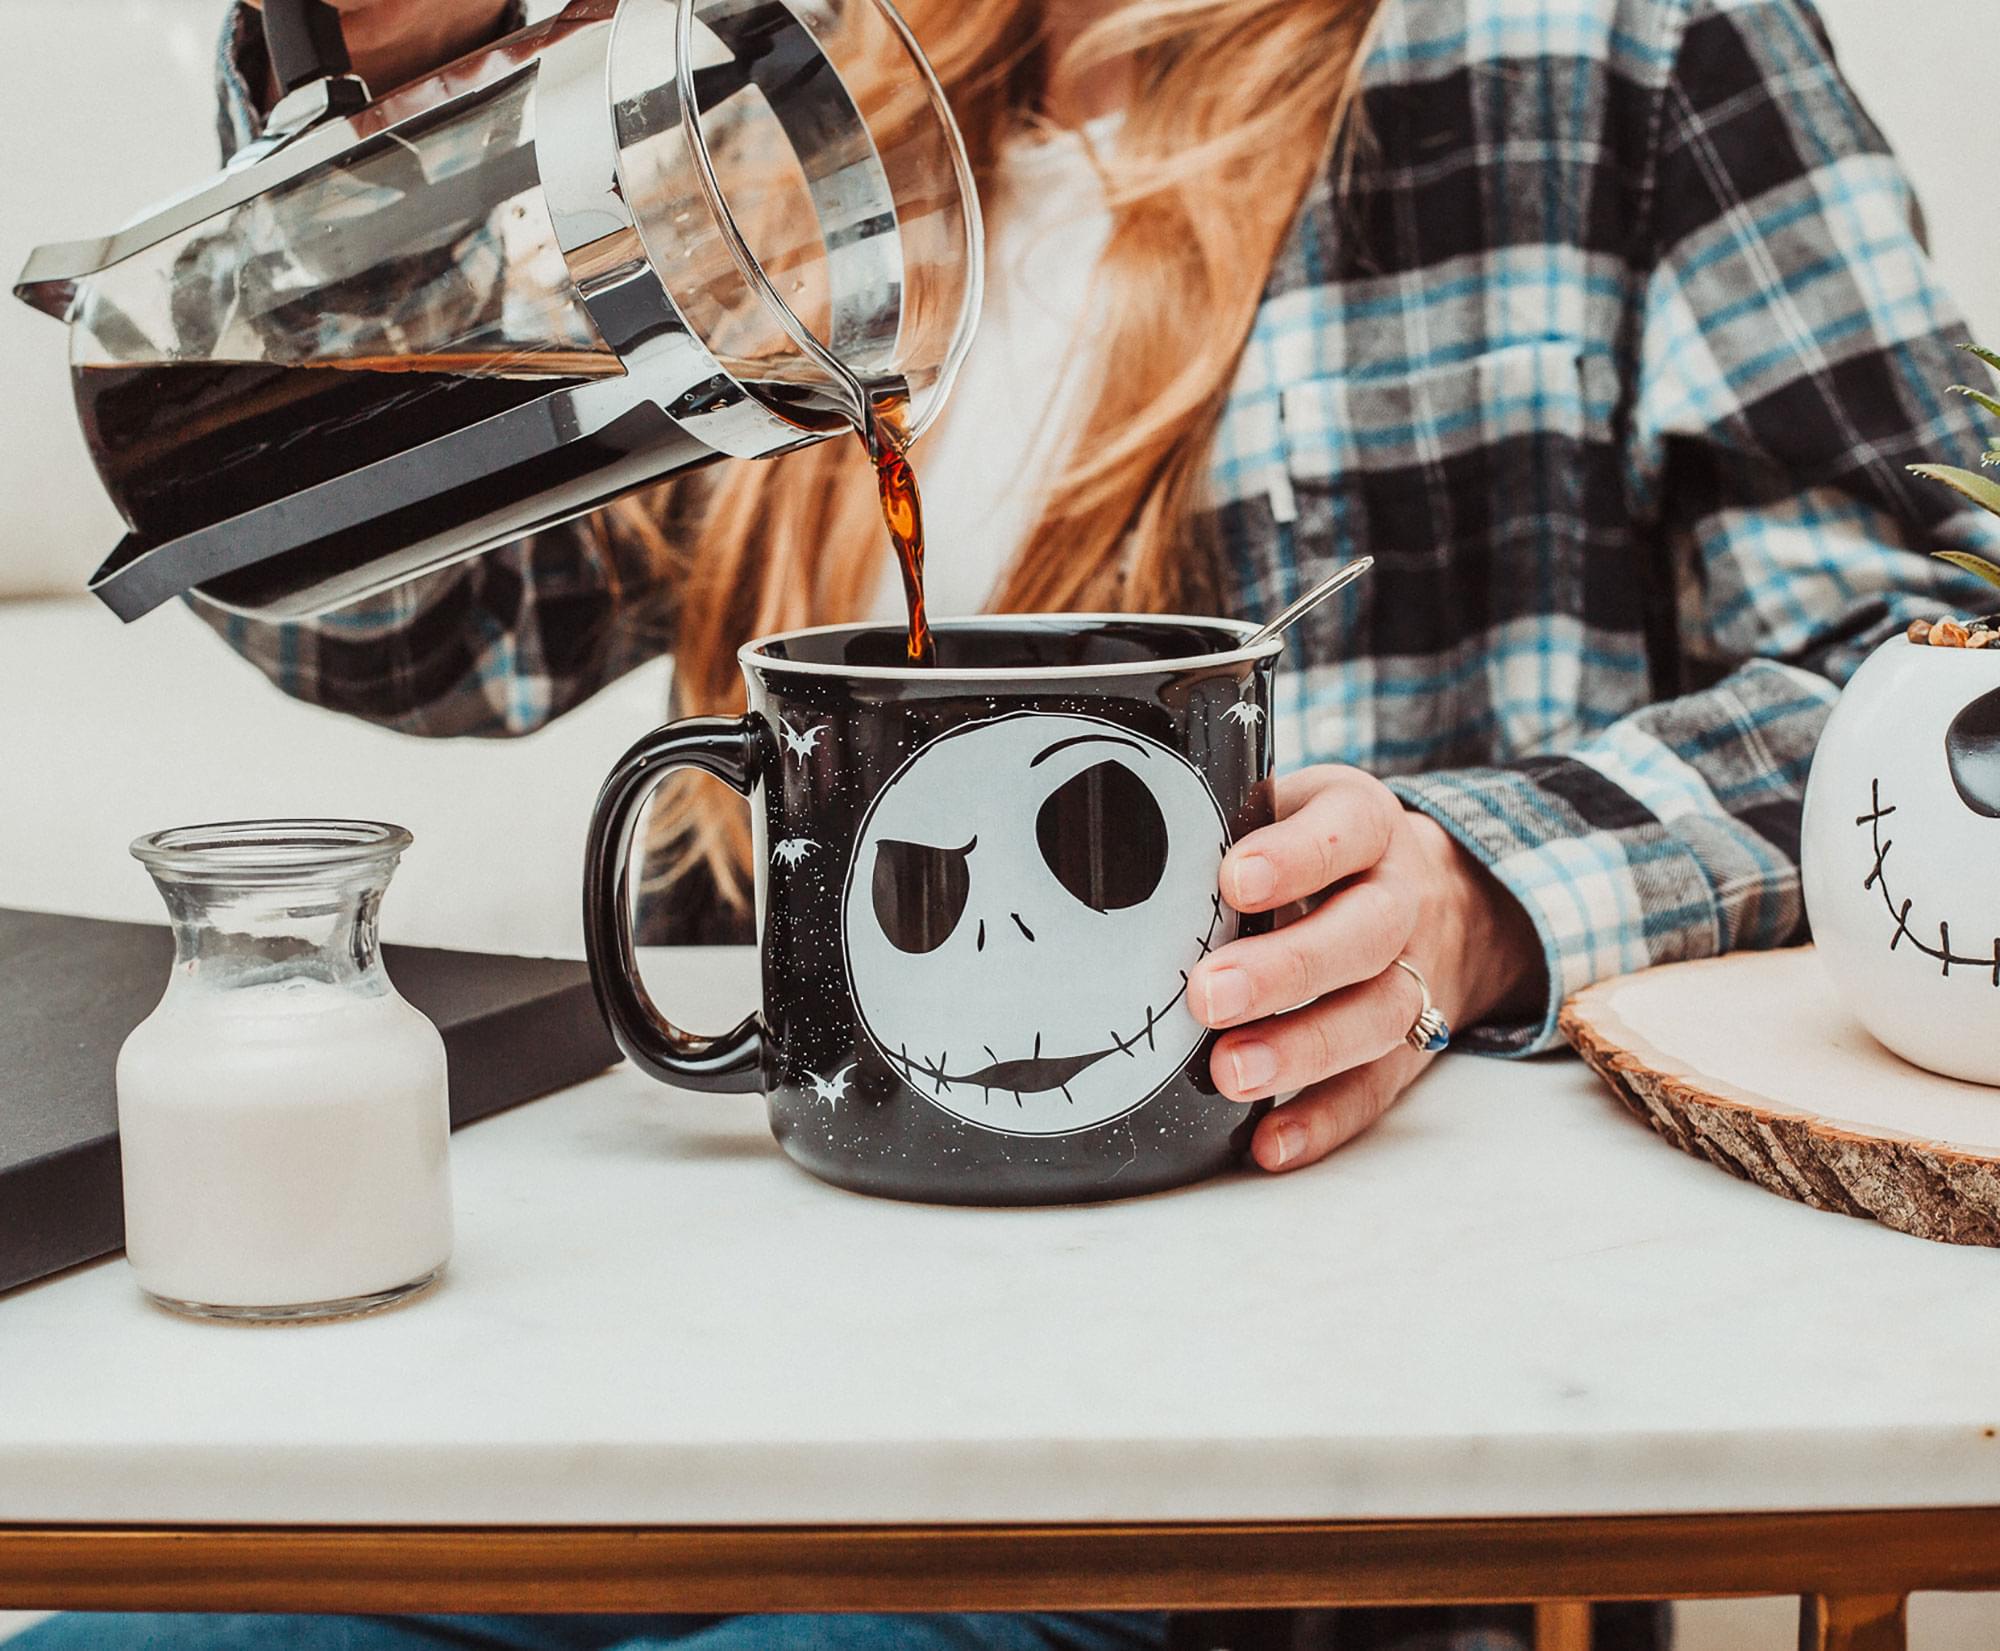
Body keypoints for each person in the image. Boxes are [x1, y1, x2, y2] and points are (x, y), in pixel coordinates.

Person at [17, 0, 1998, 1645]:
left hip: (1288, 1392)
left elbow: (1928, 658)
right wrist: (355, 127)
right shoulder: (766, 94)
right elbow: (421, 636)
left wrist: (1482, 891)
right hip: (760, 1332)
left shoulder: (1600, 51)